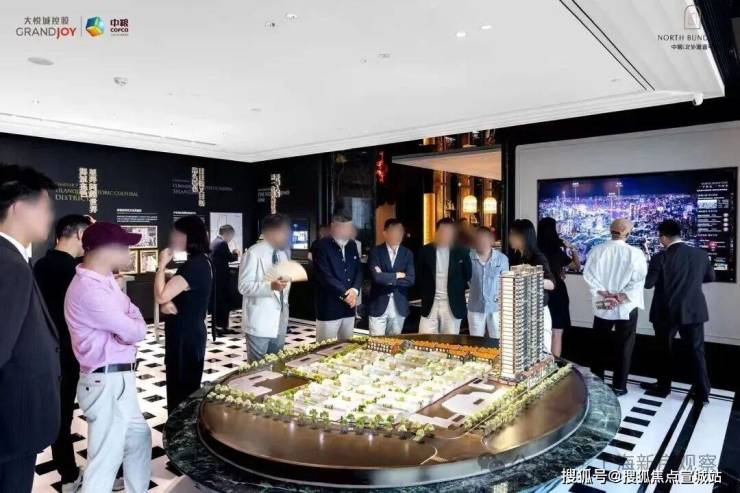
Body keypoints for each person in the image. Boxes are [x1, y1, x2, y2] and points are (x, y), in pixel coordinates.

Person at [64, 222, 151, 493]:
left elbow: (133, 315)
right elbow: (135, 330)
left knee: (139, 438)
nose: (129, 252)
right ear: (106, 249)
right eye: (124, 247)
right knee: (105, 460)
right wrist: (129, 328)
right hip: (105, 381)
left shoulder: (105, 281)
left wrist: (129, 326)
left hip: (118, 378)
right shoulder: (89, 290)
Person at [0, 164, 60, 493]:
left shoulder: (12, 259)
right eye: (45, 208)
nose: (50, 218)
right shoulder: (8, 264)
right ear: (19, 208)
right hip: (11, 427)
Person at [34, 214, 92, 492]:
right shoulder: (76, 272)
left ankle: (67, 473)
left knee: (62, 415)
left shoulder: (40, 265)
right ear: (80, 235)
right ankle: (76, 476)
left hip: (50, 351)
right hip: (75, 353)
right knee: (95, 414)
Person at [641, 219, 715, 404]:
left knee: (664, 350)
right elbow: (710, 277)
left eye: (660, 237)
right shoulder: (700, 254)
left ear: (664, 237)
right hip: (693, 309)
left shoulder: (660, 257)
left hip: (665, 312)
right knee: (697, 351)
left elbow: (648, 284)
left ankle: (663, 387)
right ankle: (702, 393)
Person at [154, 215, 213, 413]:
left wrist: (161, 266)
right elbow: (170, 297)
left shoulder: (193, 266)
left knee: (181, 390)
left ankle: (179, 429)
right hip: (189, 332)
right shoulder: (200, 261)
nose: (173, 238)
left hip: (185, 336)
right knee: (184, 386)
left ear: (190, 236)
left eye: (178, 234)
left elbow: (161, 296)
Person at [583, 218, 647, 396]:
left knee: (599, 345)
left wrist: (605, 294)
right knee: (624, 347)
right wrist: (619, 297)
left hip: (602, 303)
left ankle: (597, 383)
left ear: (610, 231)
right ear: (628, 233)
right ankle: (619, 386)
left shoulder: (597, 250)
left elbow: (588, 276)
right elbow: (639, 280)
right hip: (626, 305)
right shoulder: (635, 253)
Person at [238, 213, 292, 361]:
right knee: (258, 366)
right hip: (260, 318)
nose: (287, 236)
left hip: (280, 317)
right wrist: (270, 286)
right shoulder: (253, 253)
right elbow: (243, 286)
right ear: (272, 232)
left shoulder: (282, 254)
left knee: (277, 361)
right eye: (284, 231)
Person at [312, 212, 362, 341]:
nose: (348, 231)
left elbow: (358, 270)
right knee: (325, 347)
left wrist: (355, 290)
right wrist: (346, 295)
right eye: (344, 227)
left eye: (349, 227)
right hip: (329, 306)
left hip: (349, 306)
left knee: (347, 345)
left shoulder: (352, 245)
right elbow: (325, 277)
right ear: (333, 226)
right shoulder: (321, 246)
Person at [416, 217, 472, 334]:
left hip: (453, 303)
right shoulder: (425, 251)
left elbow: (468, 274)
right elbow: (419, 275)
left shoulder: (462, 251)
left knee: (450, 341)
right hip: (430, 302)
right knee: (424, 338)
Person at [508, 219, 556, 351]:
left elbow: (551, 283)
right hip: (524, 310)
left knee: (542, 351)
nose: (510, 238)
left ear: (522, 237)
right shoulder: (519, 257)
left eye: (512, 234)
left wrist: (531, 275)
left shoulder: (537, 257)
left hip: (538, 311)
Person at [537, 217, 581, 357]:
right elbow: (576, 266)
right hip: (558, 293)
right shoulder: (557, 251)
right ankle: (554, 364)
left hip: (539, 292)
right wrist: (572, 248)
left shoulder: (534, 251)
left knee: (539, 331)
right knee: (557, 331)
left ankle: (540, 363)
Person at [367, 218, 415, 336]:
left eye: (400, 231)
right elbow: (377, 278)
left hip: (399, 306)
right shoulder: (376, 252)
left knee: (394, 343)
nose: (397, 235)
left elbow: (410, 280)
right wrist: (397, 275)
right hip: (378, 304)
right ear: (385, 233)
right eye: (394, 231)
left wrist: (385, 277)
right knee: (376, 343)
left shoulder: (407, 253)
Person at [468, 226, 509, 338]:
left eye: (485, 238)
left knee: (497, 340)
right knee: (476, 341)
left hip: (496, 308)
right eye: (479, 238)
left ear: (491, 240)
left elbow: (506, 284)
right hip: (475, 306)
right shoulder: (468, 257)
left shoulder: (502, 259)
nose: (482, 241)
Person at [210, 224, 240, 336]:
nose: (231, 239)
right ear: (227, 234)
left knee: (219, 303)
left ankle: (219, 326)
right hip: (222, 279)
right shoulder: (222, 243)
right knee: (224, 303)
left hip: (216, 279)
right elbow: (230, 258)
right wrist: (236, 253)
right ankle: (221, 327)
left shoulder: (214, 242)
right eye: (231, 236)